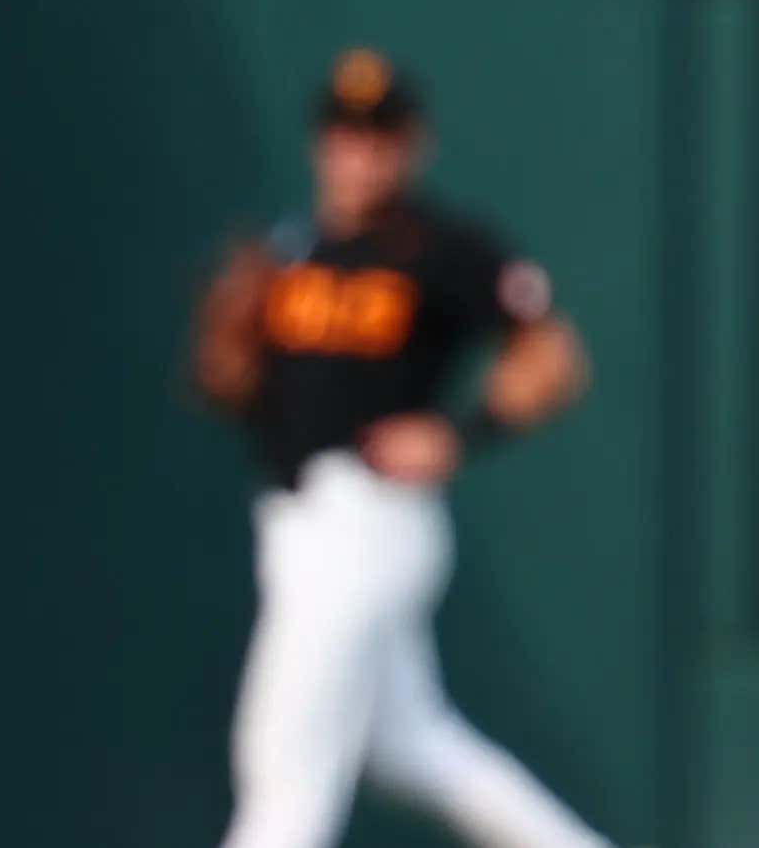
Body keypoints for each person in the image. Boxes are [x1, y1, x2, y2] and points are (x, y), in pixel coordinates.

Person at [193, 48, 614, 848]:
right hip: (294, 521)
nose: (361, 152)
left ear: (412, 143)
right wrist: (230, 359)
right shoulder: (294, 249)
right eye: (347, 133)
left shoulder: (438, 246)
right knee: (414, 745)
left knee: (284, 765)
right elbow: (244, 387)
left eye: (380, 134)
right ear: (323, 141)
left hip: (364, 518)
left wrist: (463, 430)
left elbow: (555, 355)